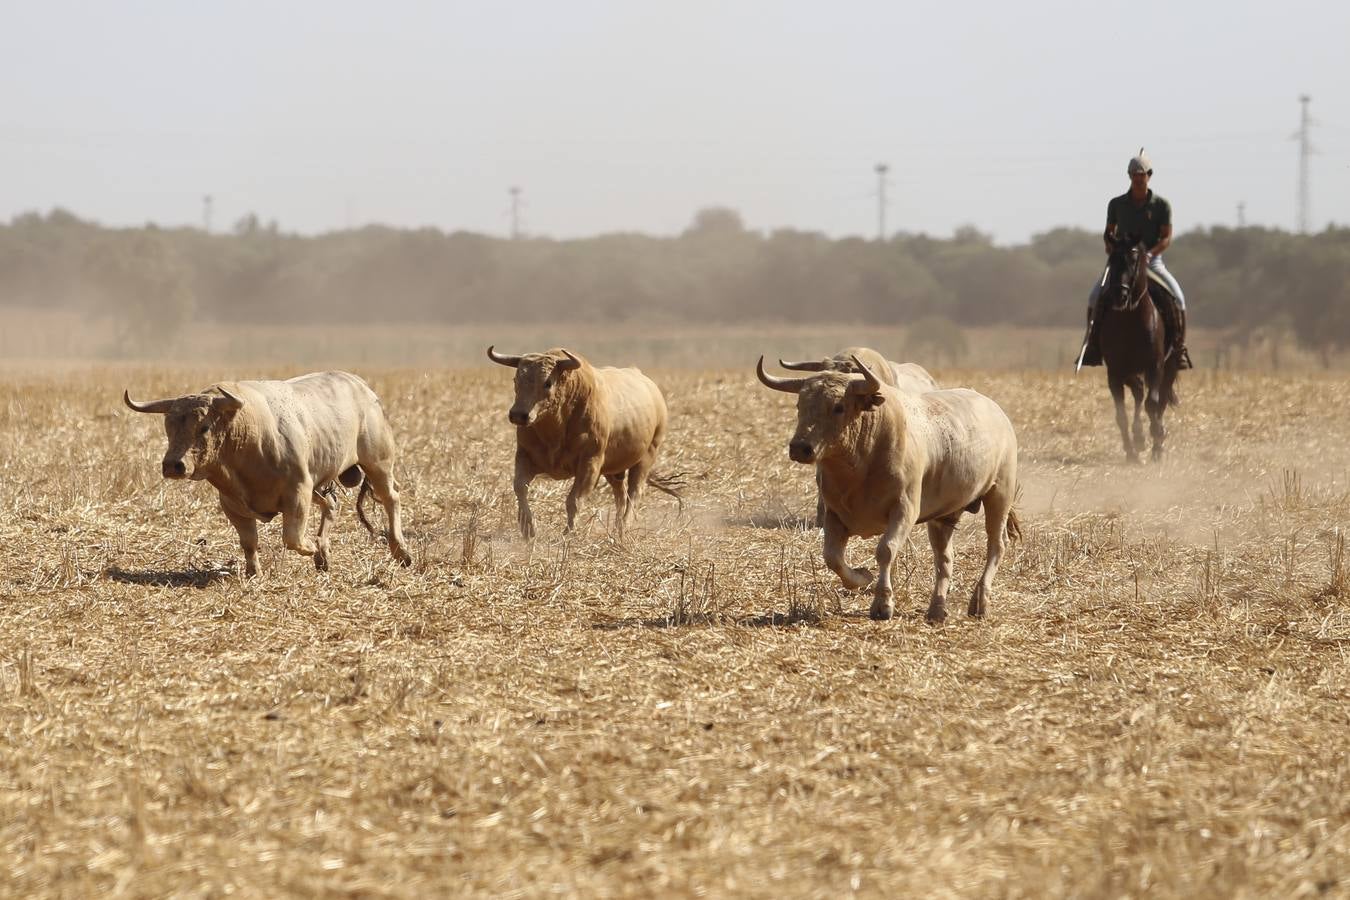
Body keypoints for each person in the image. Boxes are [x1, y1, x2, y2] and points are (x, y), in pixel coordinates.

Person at [1079, 149, 1190, 368]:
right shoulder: (1116, 204)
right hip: (1122, 261)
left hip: (1151, 260)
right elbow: (1109, 232)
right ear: (1129, 176)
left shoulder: (1161, 205)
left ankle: (1179, 349)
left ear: (1149, 175)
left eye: (1142, 175)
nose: (1138, 180)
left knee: (1178, 298)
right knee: (1094, 297)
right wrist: (1111, 248)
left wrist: (1150, 254)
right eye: (1134, 175)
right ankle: (1092, 345)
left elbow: (1166, 237)